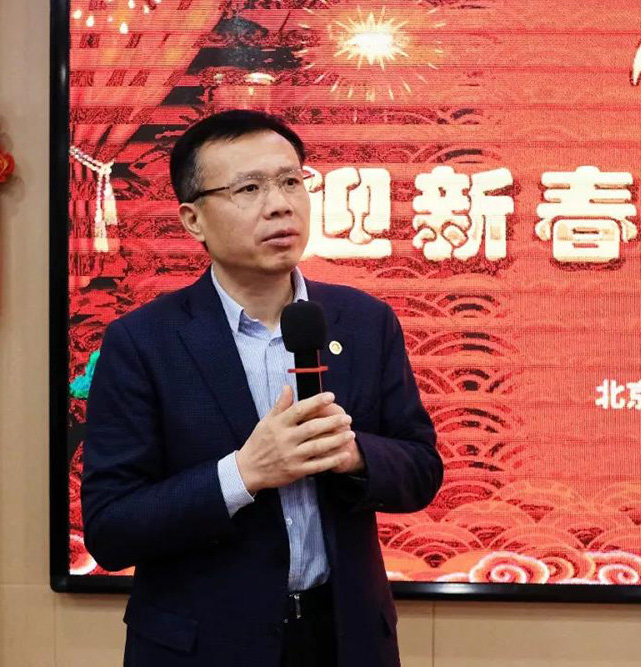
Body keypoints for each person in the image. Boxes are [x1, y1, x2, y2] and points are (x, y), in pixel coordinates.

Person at [82, 109, 442, 667]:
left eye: (291, 181)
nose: (280, 204)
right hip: (204, 650)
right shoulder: (142, 341)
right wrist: (243, 474)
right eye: (249, 188)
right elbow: (111, 528)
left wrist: (354, 455)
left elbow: (421, 469)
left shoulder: (364, 321)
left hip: (345, 641)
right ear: (193, 219)